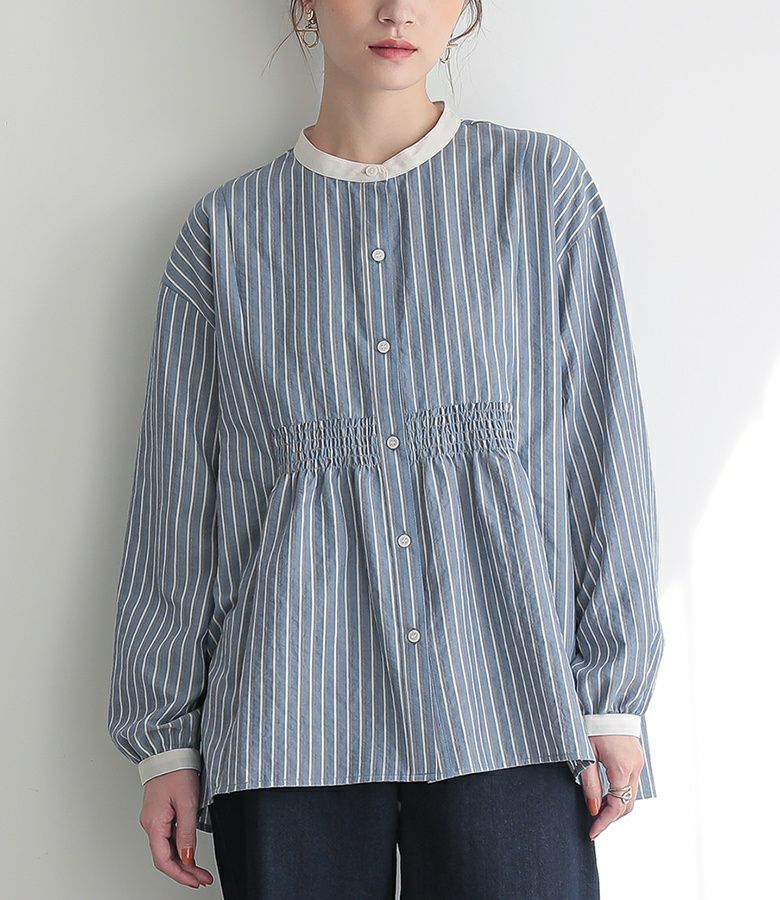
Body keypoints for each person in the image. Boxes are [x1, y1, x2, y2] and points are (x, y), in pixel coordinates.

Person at [106, 2, 665, 897]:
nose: (397, 10)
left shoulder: (539, 189)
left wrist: (612, 693)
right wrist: (164, 737)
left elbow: (604, 452)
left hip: (509, 702)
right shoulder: (226, 233)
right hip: (290, 723)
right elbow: (175, 502)